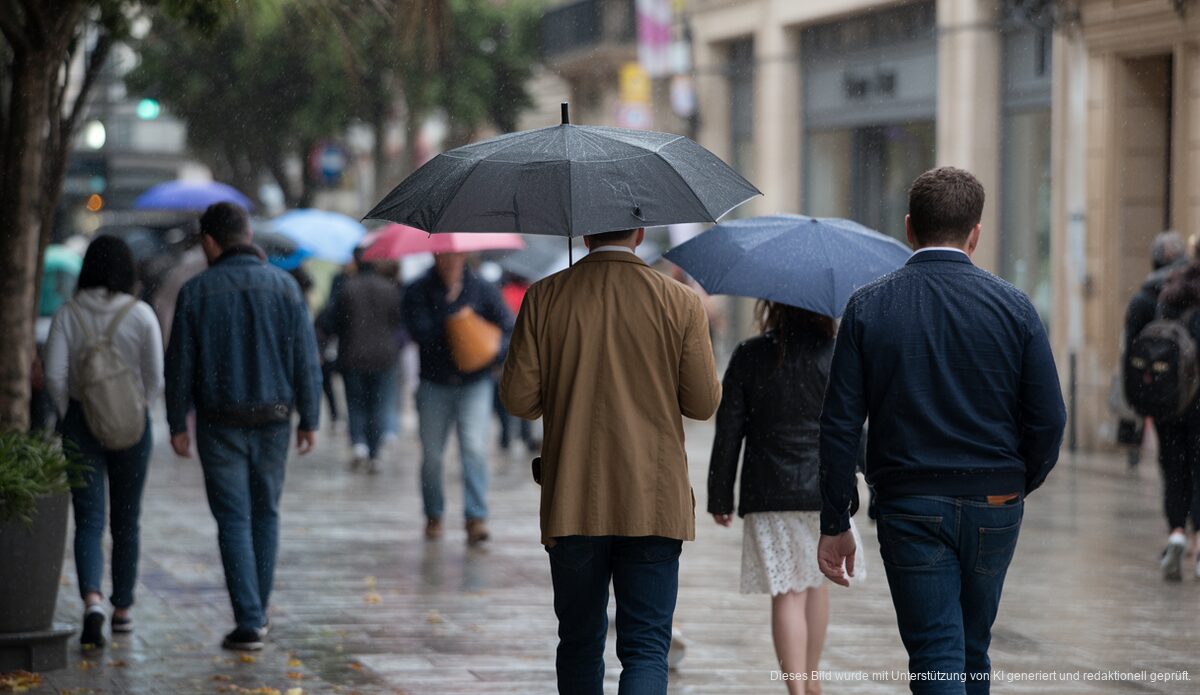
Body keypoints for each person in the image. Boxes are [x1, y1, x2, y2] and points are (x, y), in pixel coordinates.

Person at [817, 167, 1066, 694]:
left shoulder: (868, 306)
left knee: (936, 652)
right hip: (995, 502)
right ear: (974, 232)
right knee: (972, 648)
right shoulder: (1014, 307)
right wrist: (1017, 479)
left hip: (911, 503)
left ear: (909, 228)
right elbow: (1049, 417)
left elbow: (839, 424)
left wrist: (836, 517)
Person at [500, 228, 721, 694]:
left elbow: (519, 399)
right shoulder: (679, 301)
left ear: (583, 234)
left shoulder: (545, 297)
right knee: (645, 647)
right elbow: (702, 403)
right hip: (654, 498)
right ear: (640, 233)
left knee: (579, 641)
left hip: (573, 497)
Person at [164, 202, 322, 651]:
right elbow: (304, 359)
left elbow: (179, 366)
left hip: (219, 423)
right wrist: (309, 418)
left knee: (233, 519)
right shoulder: (286, 287)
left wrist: (178, 421)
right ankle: (258, 613)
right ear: (247, 234)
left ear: (210, 242)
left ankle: (249, 618)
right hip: (274, 419)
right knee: (265, 513)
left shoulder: (196, 292)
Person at [708, 300, 863, 693]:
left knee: (787, 592)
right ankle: (812, 681)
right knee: (817, 582)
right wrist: (862, 478)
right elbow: (853, 425)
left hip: (769, 489)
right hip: (826, 489)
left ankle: (796, 690)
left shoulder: (750, 354)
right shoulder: (837, 355)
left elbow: (729, 430)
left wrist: (719, 495)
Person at [44, 236, 164, 648]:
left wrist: (71, 413)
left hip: (81, 421)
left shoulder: (68, 314)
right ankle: (123, 608)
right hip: (133, 424)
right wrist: (135, 409)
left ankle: (92, 599)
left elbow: (55, 375)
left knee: (89, 519)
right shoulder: (142, 314)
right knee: (127, 520)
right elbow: (155, 378)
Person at [401, 252, 513, 543]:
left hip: (474, 383)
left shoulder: (483, 288)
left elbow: (506, 328)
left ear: (464, 255)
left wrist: (490, 352)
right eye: (444, 256)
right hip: (433, 384)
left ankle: (476, 517)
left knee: (474, 450)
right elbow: (418, 332)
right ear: (435, 255)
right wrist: (451, 314)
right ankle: (434, 514)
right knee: (432, 456)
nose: (450, 261)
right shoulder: (418, 289)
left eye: (455, 256)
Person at [325, 257, 404, 472]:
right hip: (384, 357)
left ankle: (359, 443)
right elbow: (398, 321)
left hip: (353, 356)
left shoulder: (347, 288)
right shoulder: (389, 288)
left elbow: (332, 321)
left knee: (356, 403)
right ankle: (375, 453)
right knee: (379, 404)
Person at [1122, 231, 1188, 468]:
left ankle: (1177, 503)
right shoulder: (1192, 293)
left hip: (1161, 388)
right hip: (1192, 391)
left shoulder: (1143, 298)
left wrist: (1134, 393)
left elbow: (1130, 351)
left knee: (1171, 460)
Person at [1152, 262, 1200, 580]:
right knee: (1199, 472)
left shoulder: (1165, 301)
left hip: (1168, 404)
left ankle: (1177, 533)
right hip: (1197, 405)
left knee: (1174, 471)